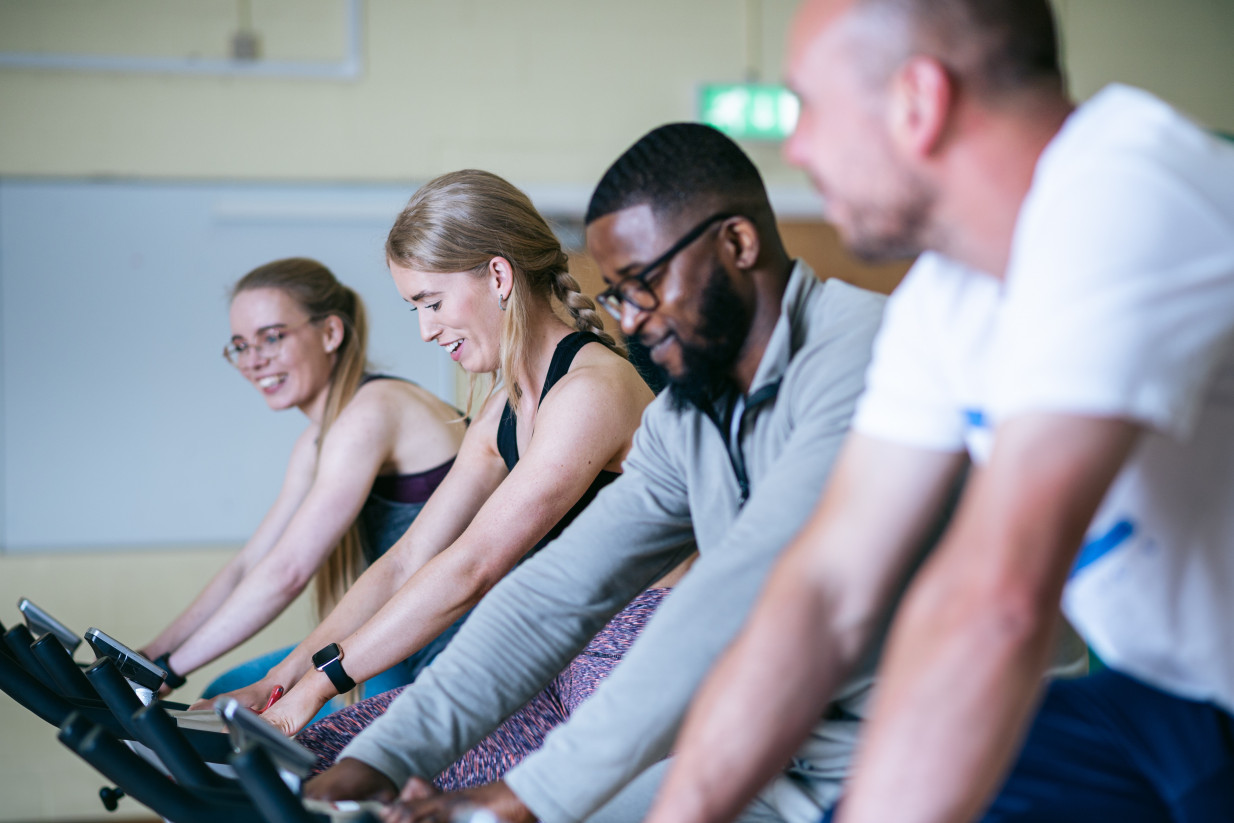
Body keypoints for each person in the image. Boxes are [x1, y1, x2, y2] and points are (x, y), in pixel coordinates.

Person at [648, 2, 1234, 822]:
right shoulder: (946, 296)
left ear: (917, 103)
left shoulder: (1125, 190)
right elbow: (826, 588)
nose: (796, 147)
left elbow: (995, 596)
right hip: (1166, 699)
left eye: (808, 106)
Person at [302, 122, 896, 823]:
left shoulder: (866, 355)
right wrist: (382, 755)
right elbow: (555, 594)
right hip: (771, 753)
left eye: (645, 283)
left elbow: (743, 590)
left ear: (736, 243)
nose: (633, 321)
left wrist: (526, 795)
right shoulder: (690, 414)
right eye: (617, 293)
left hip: (902, 756)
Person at [203, 169, 654, 737]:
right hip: (563, 663)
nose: (426, 330)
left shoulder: (590, 392)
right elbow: (407, 557)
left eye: (432, 302)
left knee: (348, 762)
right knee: (322, 749)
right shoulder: (502, 410)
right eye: (415, 308)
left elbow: (473, 566)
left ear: (497, 275)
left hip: (632, 664)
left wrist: (322, 684)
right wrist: (286, 680)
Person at [141, 257, 466, 701]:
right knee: (224, 692)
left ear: (331, 333)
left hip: (459, 652)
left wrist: (172, 671)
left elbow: (288, 572)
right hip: (409, 637)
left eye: (272, 338)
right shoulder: (317, 441)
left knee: (236, 712)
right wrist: (151, 657)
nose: (254, 361)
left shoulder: (371, 411)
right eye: (240, 345)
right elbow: (250, 565)